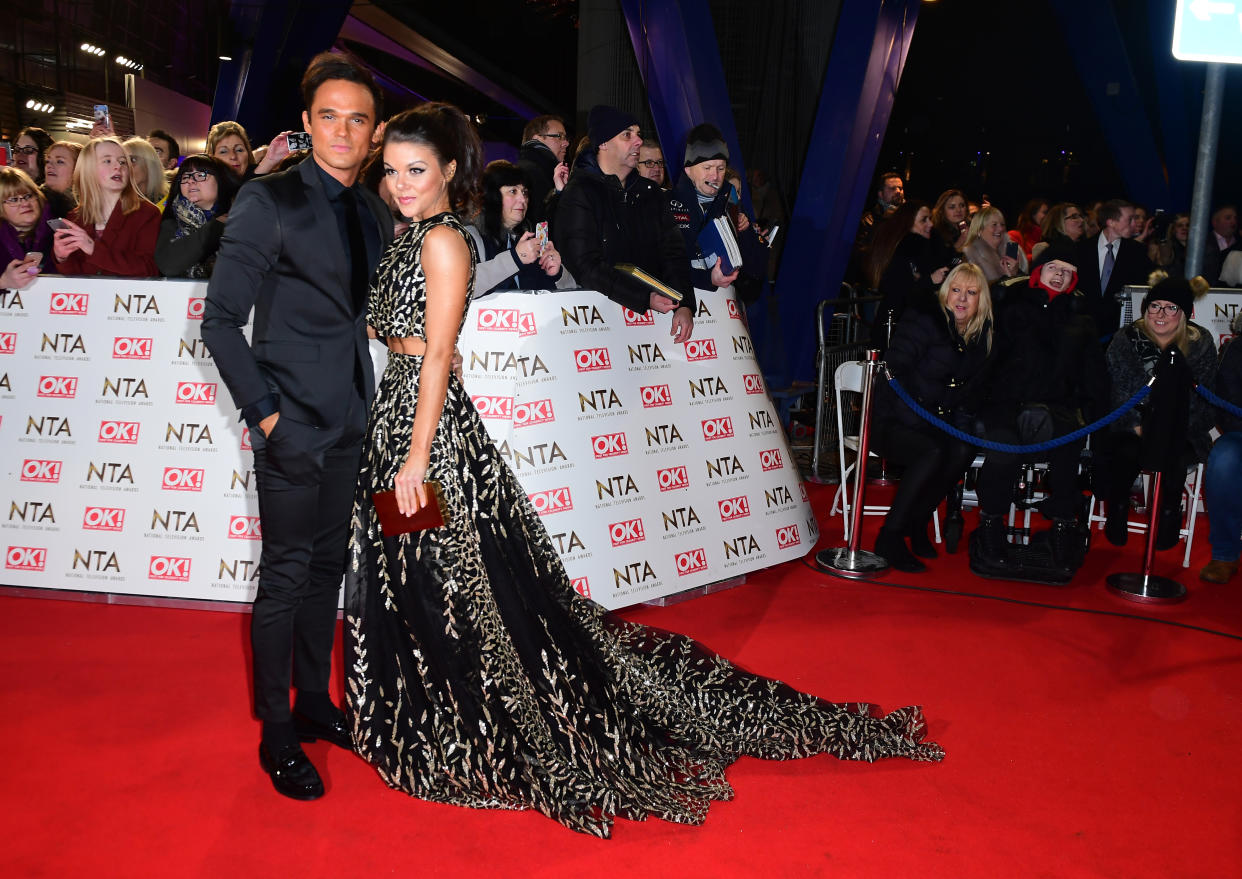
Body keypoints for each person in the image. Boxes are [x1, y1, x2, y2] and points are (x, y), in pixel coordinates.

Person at [344, 100, 943, 841]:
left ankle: (464, 709)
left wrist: (414, 454)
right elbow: (388, 327)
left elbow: (435, 355)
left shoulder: (443, 243)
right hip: (398, 419)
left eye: (417, 170)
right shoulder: (405, 238)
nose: (403, 183)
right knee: (413, 568)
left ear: (449, 172)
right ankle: (429, 703)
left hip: (425, 437)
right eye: (394, 170)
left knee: (448, 572)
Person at [201, 53, 393, 802]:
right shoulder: (267, 199)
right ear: (307, 123)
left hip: (350, 415)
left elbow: (361, 311)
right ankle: (276, 730)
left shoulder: (372, 209)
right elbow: (219, 322)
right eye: (330, 115)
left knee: (326, 569)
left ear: (372, 132)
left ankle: (314, 699)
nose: (343, 130)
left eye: (358, 118)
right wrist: (268, 416)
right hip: (290, 424)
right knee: (284, 576)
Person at [970, 243, 1108, 583]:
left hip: (1058, 406)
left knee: (1068, 449)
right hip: (1007, 402)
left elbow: (1094, 375)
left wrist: (1097, 416)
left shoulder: (1082, 319)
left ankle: (1063, 525)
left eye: (1066, 271)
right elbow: (989, 358)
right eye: (1053, 268)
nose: (1059, 275)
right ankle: (991, 523)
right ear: (1038, 271)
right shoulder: (1009, 308)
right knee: (1003, 451)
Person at [872, 263, 995, 572]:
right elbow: (892, 373)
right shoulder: (923, 320)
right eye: (956, 290)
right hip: (892, 420)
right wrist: (927, 422)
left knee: (962, 450)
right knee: (932, 450)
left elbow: (972, 393)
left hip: (935, 423)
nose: (962, 299)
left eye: (971, 292)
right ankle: (890, 535)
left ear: (982, 299)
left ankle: (918, 520)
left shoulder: (981, 336)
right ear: (944, 293)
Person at [1096, 275, 1217, 551]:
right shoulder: (1126, 339)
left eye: (1171, 307)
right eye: (1155, 306)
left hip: (1183, 429)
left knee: (1173, 455)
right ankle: (1118, 504)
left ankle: (1169, 512)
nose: (1161, 314)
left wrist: (1169, 426)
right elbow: (1116, 393)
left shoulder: (1200, 344)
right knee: (1125, 451)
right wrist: (1140, 424)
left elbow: (1205, 400)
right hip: (1131, 426)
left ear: (1184, 313)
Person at [555, 104, 696, 339]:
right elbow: (585, 265)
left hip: (651, 332)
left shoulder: (651, 193)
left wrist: (684, 303)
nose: (638, 141)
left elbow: (673, 253)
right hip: (595, 329)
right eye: (627, 135)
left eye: (638, 134)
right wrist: (642, 297)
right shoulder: (579, 193)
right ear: (603, 143)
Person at [52, 137, 160, 277]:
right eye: (107, 161)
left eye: (122, 162)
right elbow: (73, 276)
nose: (118, 167)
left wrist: (93, 248)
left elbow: (148, 268)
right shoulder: (74, 217)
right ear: (88, 169)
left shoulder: (147, 213)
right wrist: (61, 257)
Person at [466, 160, 575, 294]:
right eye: (513, 191)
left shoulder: (530, 240)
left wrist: (558, 274)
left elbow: (575, 295)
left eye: (524, 192)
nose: (522, 199)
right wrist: (515, 258)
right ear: (492, 196)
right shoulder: (470, 237)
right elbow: (460, 286)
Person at [668, 123, 744, 294]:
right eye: (707, 168)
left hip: (723, 310)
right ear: (688, 170)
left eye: (721, 168)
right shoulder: (666, 205)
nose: (715, 176)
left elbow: (753, 275)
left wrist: (746, 234)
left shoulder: (730, 203)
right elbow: (662, 265)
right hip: (678, 309)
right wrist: (707, 279)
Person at [867, 200, 951, 347]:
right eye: (924, 220)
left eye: (930, 218)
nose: (930, 224)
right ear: (908, 223)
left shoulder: (924, 248)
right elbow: (900, 291)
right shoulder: (903, 251)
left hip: (907, 329)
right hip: (897, 330)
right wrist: (930, 280)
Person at [1200, 311, 1242, 583]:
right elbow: (1224, 402)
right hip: (1241, 431)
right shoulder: (1237, 349)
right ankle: (1225, 554)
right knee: (1224, 458)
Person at [155, 155, 240, 278]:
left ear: (221, 180)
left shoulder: (240, 221)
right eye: (185, 176)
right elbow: (169, 265)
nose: (190, 180)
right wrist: (218, 224)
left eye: (200, 175)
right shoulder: (170, 224)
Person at [1075, 199, 1151, 333]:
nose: (1134, 224)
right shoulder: (1081, 250)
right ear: (1111, 222)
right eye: (1130, 219)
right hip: (1083, 330)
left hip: (1118, 331)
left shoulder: (1138, 252)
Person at [0, 167, 54, 279]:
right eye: (14, 199)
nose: (25, 203)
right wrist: (3, 282)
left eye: (28, 196)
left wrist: (60, 259)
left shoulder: (59, 231)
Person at [514, 114, 569, 225]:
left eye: (566, 137)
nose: (566, 143)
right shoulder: (530, 172)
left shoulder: (547, 171)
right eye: (559, 136)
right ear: (537, 139)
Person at [963, 206, 1024, 283]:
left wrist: (1016, 272)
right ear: (979, 230)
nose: (1000, 229)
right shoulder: (970, 256)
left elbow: (1024, 287)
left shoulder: (1013, 250)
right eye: (994, 224)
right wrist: (1008, 277)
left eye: (1002, 224)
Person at [124, 137, 170, 210]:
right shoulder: (117, 204)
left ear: (149, 165)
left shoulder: (169, 204)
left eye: (133, 160)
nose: (126, 167)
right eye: (122, 162)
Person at [1007, 198, 1048, 263]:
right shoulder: (1012, 235)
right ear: (1033, 213)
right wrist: (1035, 256)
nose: (1047, 216)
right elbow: (1010, 261)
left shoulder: (1045, 238)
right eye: (1044, 212)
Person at [932, 188, 969, 255]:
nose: (958, 210)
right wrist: (960, 242)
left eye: (962, 205)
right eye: (952, 207)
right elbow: (940, 261)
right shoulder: (935, 233)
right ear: (942, 211)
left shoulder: (971, 226)